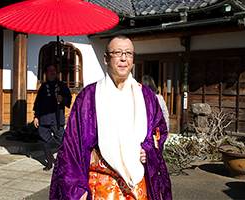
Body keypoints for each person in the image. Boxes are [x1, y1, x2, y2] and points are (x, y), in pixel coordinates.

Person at [49, 35, 172, 199]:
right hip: (101, 183)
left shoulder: (146, 95)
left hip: (138, 185)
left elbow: (159, 130)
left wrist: (149, 148)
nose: (123, 58)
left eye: (128, 53)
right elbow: (73, 144)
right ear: (106, 59)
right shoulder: (89, 96)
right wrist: (77, 187)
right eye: (118, 52)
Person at [33, 64, 72, 171]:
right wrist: (36, 117)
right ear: (46, 73)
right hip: (44, 117)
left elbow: (68, 98)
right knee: (45, 140)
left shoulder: (61, 85)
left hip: (57, 117)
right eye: (50, 71)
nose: (52, 72)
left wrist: (62, 99)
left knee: (61, 140)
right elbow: (38, 103)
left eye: (54, 70)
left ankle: (64, 163)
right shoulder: (43, 87)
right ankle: (49, 162)